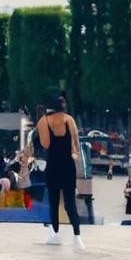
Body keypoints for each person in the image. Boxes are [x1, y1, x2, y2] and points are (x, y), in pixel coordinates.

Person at [36, 94, 84, 249]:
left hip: (53, 165)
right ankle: (77, 237)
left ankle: (55, 234)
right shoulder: (69, 120)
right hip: (68, 165)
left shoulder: (44, 121)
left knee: (54, 201)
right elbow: (75, 142)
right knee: (70, 202)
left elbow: (45, 144)